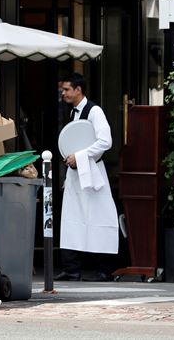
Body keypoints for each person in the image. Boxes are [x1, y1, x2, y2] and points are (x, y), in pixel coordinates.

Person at [55, 73, 119, 282]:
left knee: (99, 216)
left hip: (93, 173)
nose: (63, 93)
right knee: (71, 218)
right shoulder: (73, 113)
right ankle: (71, 268)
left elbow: (105, 141)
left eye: (66, 89)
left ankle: (105, 269)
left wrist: (80, 156)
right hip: (75, 174)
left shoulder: (94, 111)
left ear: (78, 90)